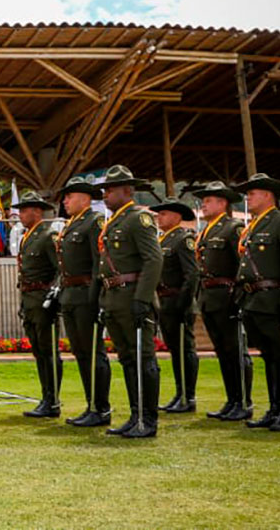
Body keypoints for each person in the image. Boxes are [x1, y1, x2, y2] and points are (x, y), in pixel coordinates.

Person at [95, 165, 162, 439]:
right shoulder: (114, 222)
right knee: (127, 359)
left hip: (132, 294)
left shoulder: (138, 218)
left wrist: (142, 299)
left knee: (143, 358)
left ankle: (148, 418)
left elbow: (154, 259)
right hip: (115, 297)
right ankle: (136, 414)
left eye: (111, 190)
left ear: (127, 190)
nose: (106, 195)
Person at [233, 173, 280, 432]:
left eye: (252, 193)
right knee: (269, 357)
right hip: (254, 300)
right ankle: (275, 408)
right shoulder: (254, 226)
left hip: (273, 300)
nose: (247, 197)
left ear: (267, 195)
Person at [192, 181, 254, 421]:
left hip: (228, 297)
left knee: (236, 350)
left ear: (222, 203)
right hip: (210, 298)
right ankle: (232, 399)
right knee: (222, 351)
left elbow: (243, 264)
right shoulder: (206, 231)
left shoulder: (233, 228)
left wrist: (238, 297)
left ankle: (244, 401)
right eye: (204, 201)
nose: (204, 205)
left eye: (209, 201)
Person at [53, 176, 112, 427]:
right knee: (80, 352)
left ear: (85, 198)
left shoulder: (94, 222)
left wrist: (96, 298)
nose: (65, 201)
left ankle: (101, 407)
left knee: (93, 352)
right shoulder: (71, 225)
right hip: (70, 294)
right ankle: (91, 404)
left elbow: (99, 261)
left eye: (69, 196)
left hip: (86, 293)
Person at [12, 191, 61, 419]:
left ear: (37, 211)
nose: (20, 214)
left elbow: (59, 270)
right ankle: (46, 397)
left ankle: (52, 401)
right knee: (39, 352)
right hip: (29, 299)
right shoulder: (27, 236)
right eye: (20, 210)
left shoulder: (48, 235)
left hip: (42, 299)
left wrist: (53, 296)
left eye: (25, 210)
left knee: (48, 351)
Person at [150, 198, 199, 414]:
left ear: (177, 217)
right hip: (165, 301)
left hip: (178, 300)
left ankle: (188, 396)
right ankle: (180, 393)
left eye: (164, 214)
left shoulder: (182, 240)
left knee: (185, 349)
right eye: (158, 214)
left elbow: (192, 274)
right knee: (175, 350)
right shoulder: (162, 241)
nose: (159, 218)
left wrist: (183, 303)